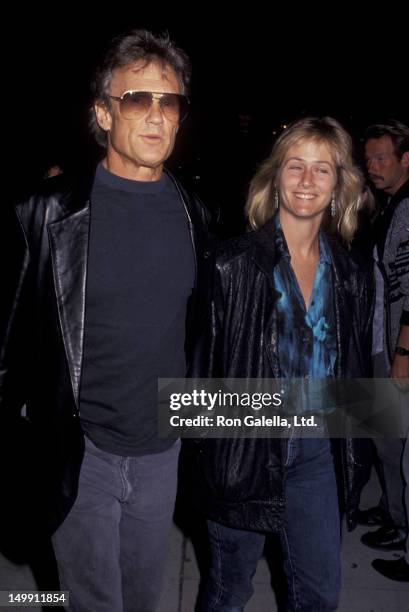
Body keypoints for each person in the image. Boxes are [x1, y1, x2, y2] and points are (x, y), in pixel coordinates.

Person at [0, 28, 210, 612]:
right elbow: (9, 346)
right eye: (136, 99)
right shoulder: (43, 213)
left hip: (161, 452)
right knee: (91, 602)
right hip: (79, 449)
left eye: (169, 102)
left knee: (144, 599)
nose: (156, 115)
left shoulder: (197, 215)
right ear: (102, 113)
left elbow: (200, 331)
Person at [186, 117, 373, 611]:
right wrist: (209, 461)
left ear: (339, 185)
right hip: (244, 448)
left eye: (322, 170)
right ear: (275, 178)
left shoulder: (354, 273)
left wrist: (363, 445)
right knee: (229, 592)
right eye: (296, 166)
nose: (307, 181)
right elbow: (201, 372)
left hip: (315, 454)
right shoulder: (231, 265)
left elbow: (355, 376)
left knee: (319, 596)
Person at [360, 120, 409, 579]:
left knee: (397, 444)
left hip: (399, 349)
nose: (373, 166)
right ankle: (396, 515)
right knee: (385, 440)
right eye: (369, 158)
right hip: (383, 341)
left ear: (406, 159)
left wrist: (402, 353)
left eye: (383, 158)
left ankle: (402, 526)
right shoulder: (391, 206)